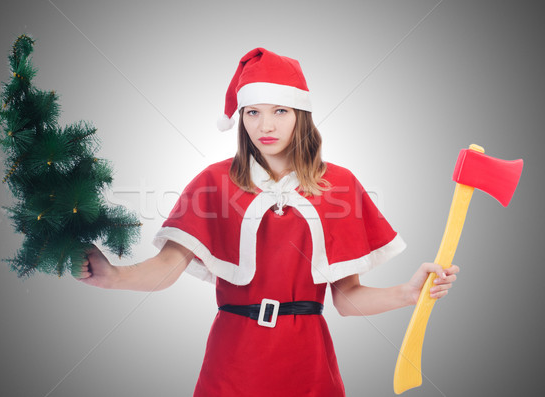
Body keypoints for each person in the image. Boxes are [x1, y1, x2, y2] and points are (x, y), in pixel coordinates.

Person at [75, 48, 459, 396]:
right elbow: (165, 269)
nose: (265, 126)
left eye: (280, 111)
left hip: (308, 366)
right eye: (253, 112)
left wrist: (408, 294)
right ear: (241, 118)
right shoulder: (213, 182)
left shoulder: (339, 186)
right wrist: (113, 276)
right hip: (233, 362)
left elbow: (346, 298)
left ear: (300, 115)